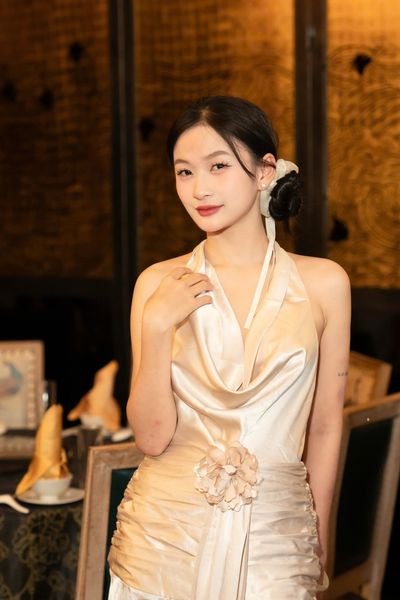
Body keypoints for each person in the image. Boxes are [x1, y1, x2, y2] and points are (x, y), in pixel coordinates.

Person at [108, 95, 351, 599]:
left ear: (265, 171)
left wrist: (319, 533)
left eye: (218, 166)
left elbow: (326, 424)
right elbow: (150, 439)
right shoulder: (156, 284)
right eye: (184, 172)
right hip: (164, 538)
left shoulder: (325, 282)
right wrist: (157, 326)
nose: (199, 188)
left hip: (275, 540)